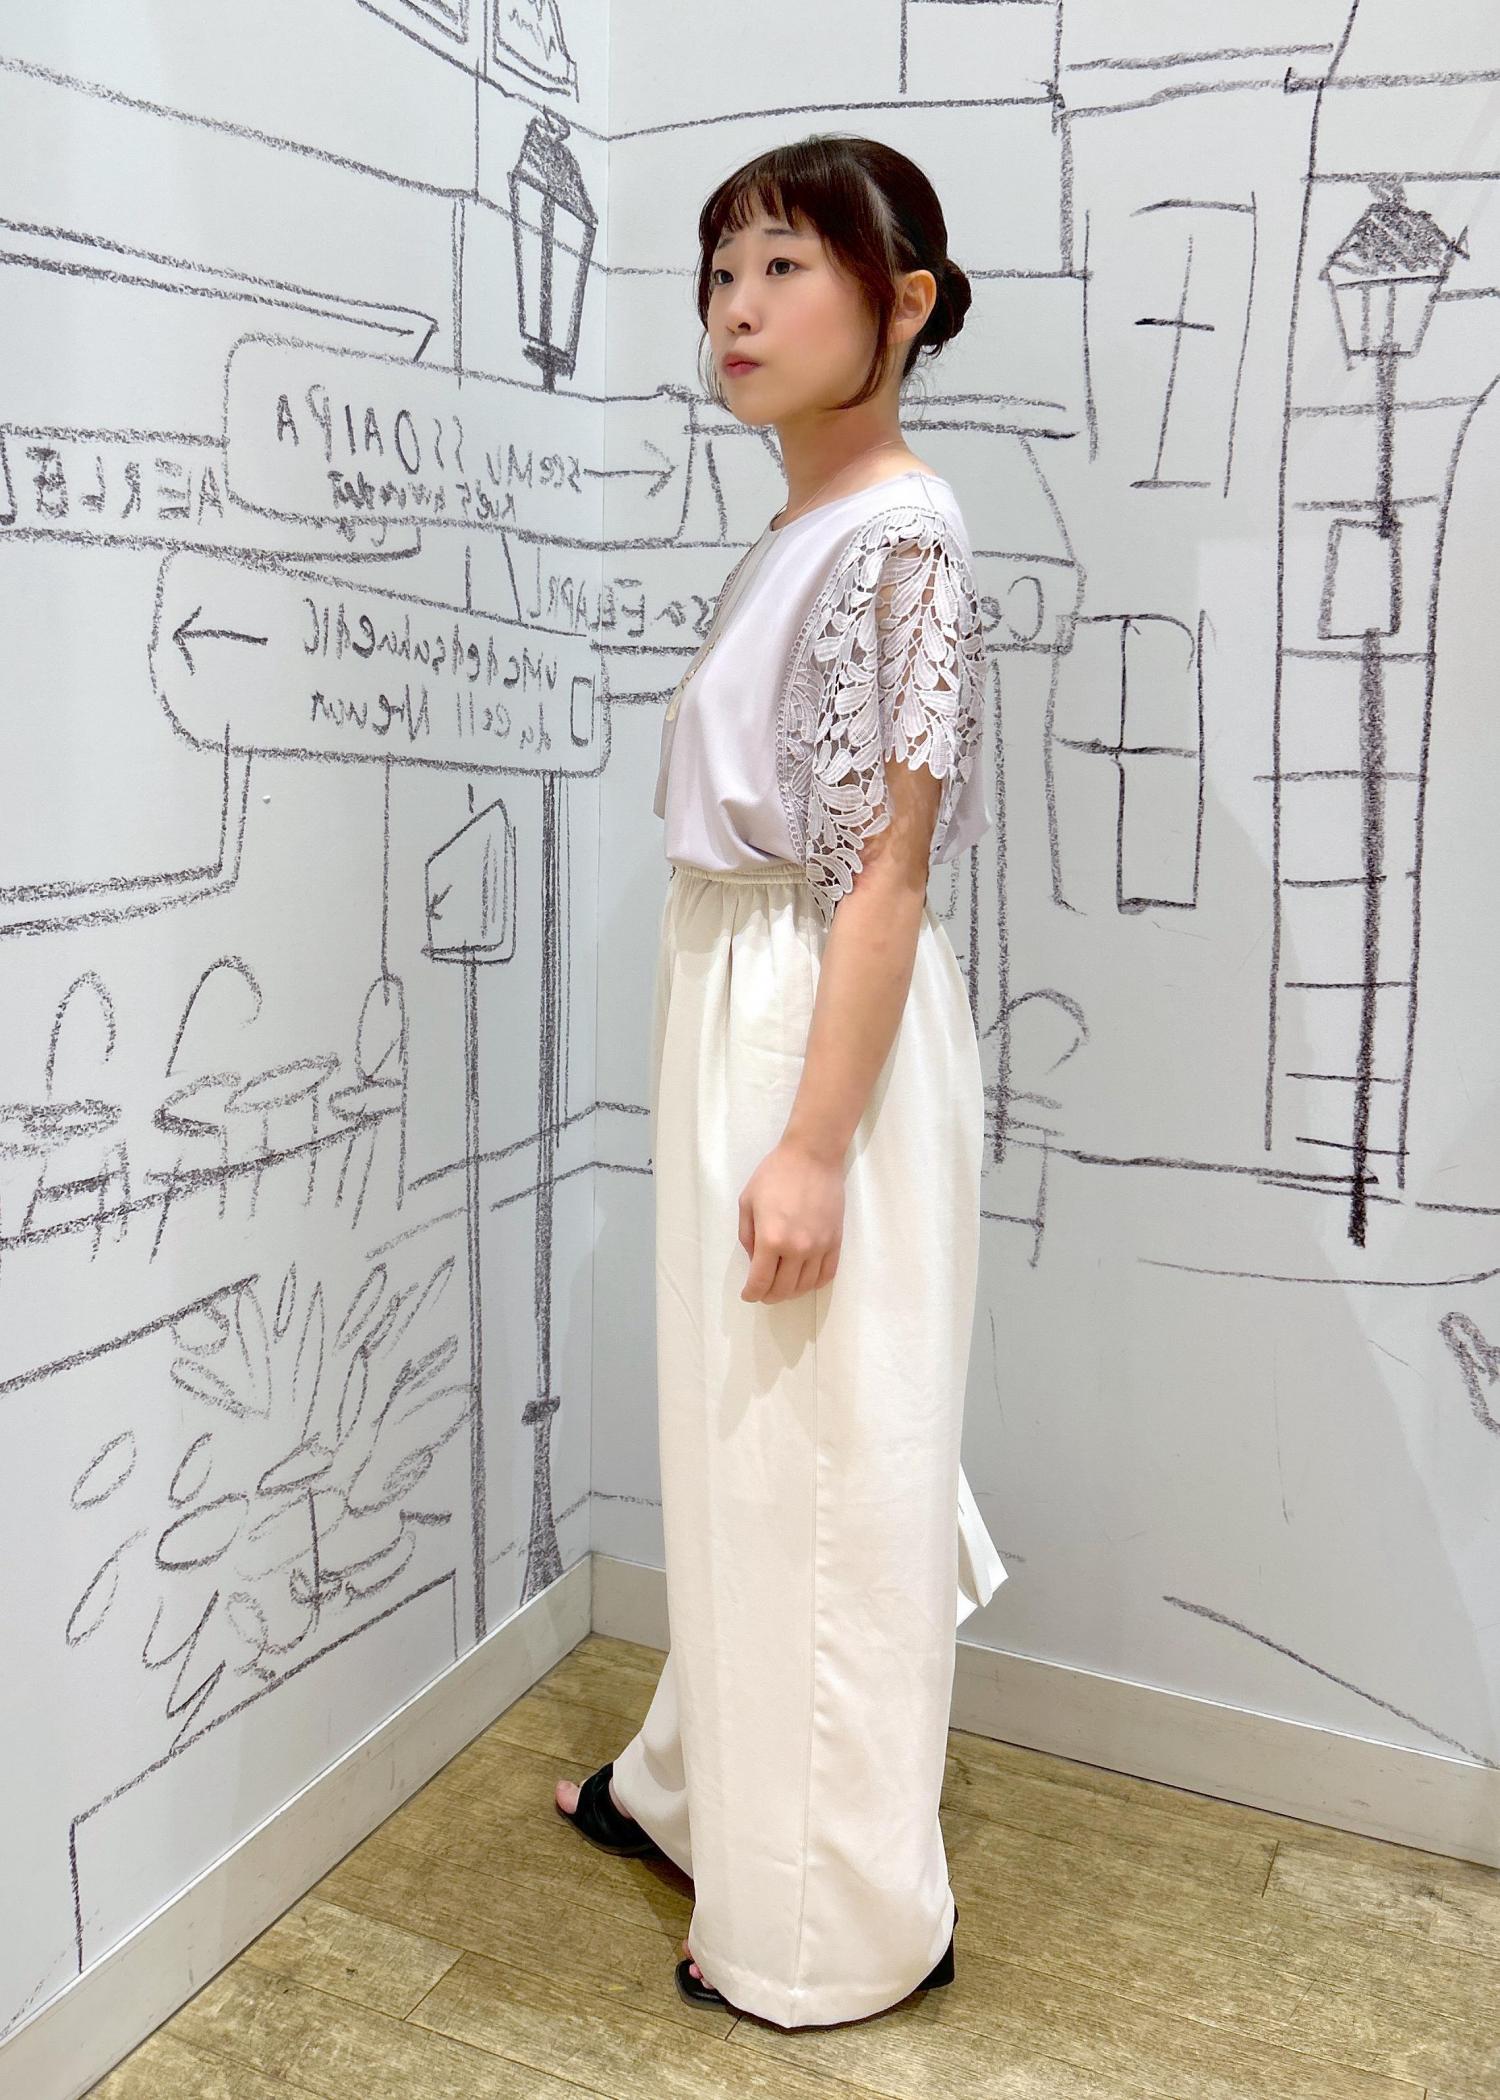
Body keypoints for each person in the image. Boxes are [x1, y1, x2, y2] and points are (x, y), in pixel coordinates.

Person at [556, 133, 1006, 2028]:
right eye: (722, 271)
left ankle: (833, 1932)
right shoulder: (814, 521)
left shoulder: (903, 533)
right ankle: (696, 1793)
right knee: (753, 1449)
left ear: (901, 302)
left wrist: (815, 1143)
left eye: (785, 268)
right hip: (744, 997)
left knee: (822, 1470)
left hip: (815, 1024)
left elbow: (887, 874)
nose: (737, 309)